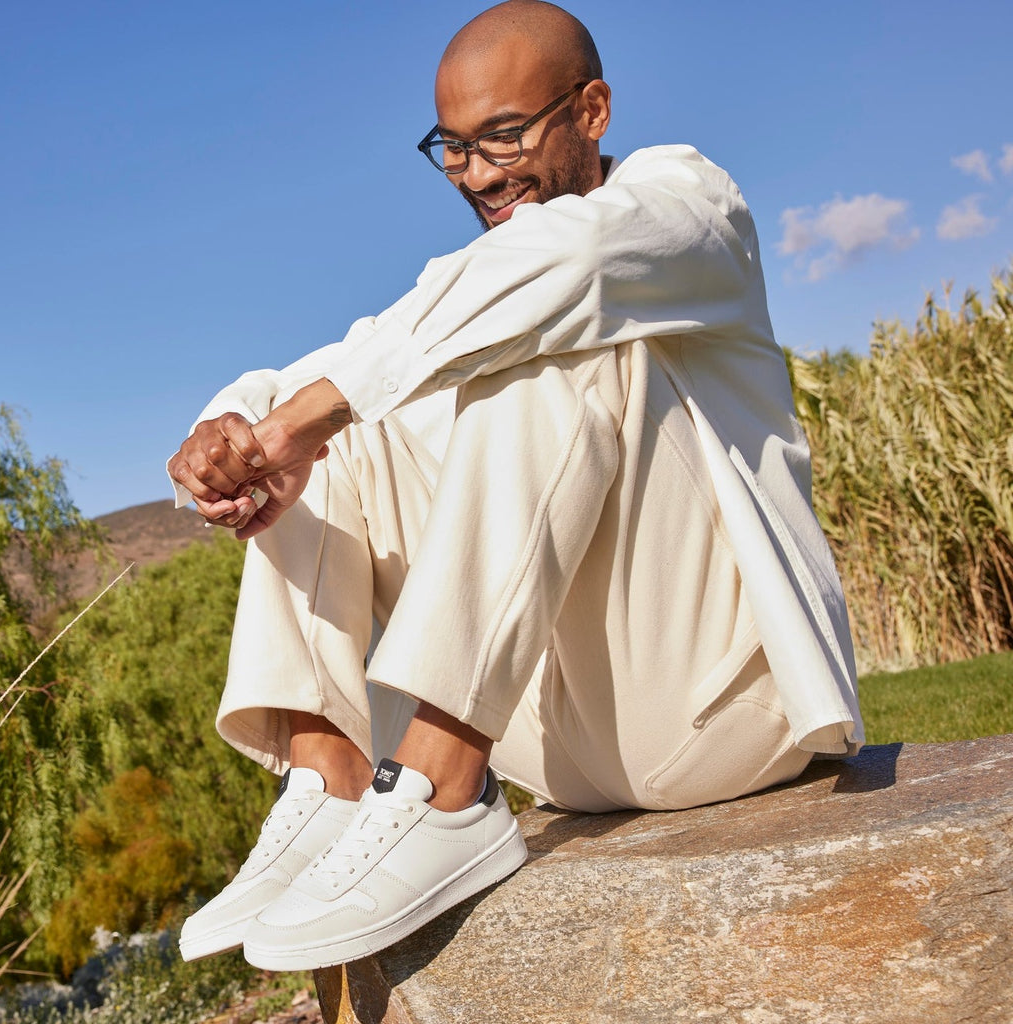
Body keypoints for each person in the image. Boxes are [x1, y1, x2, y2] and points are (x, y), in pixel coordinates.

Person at [168, 0, 863, 972]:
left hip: (729, 712)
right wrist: (239, 427)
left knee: (541, 338)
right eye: (451, 148)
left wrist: (300, 419)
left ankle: (448, 783)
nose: (478, 173)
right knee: (347, 432)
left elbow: (567, 264)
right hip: (560, 748)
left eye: (502, 135)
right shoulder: (475, 275)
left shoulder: (689, 205)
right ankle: (329, 783)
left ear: (593, 109)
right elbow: (349, 359)